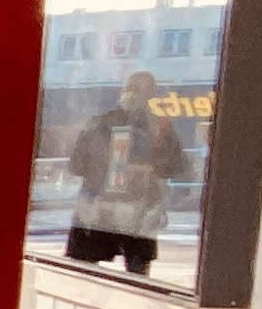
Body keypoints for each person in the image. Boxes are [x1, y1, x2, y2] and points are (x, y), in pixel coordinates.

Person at [63, 69, 186, 275]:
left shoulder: (158, 128)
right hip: (102, 210)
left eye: (139, 89)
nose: (133, 93)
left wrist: (149, 169)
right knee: (84, 273)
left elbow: (177, 166)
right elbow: (76, 165)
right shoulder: (101, 124)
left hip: (134, 211)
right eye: (131, 88)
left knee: (133, 274)